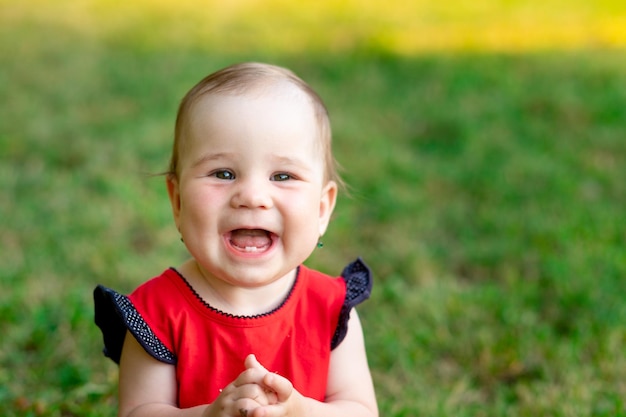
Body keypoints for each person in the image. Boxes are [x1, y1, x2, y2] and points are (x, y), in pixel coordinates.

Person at [94, 62, 378, 417]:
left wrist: (300, 411)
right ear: (178, 201)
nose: (252, 195)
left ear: (322, 209)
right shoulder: (157, 313)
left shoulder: (329, 309)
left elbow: (362, 411)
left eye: (283, 175)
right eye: (223, 173)